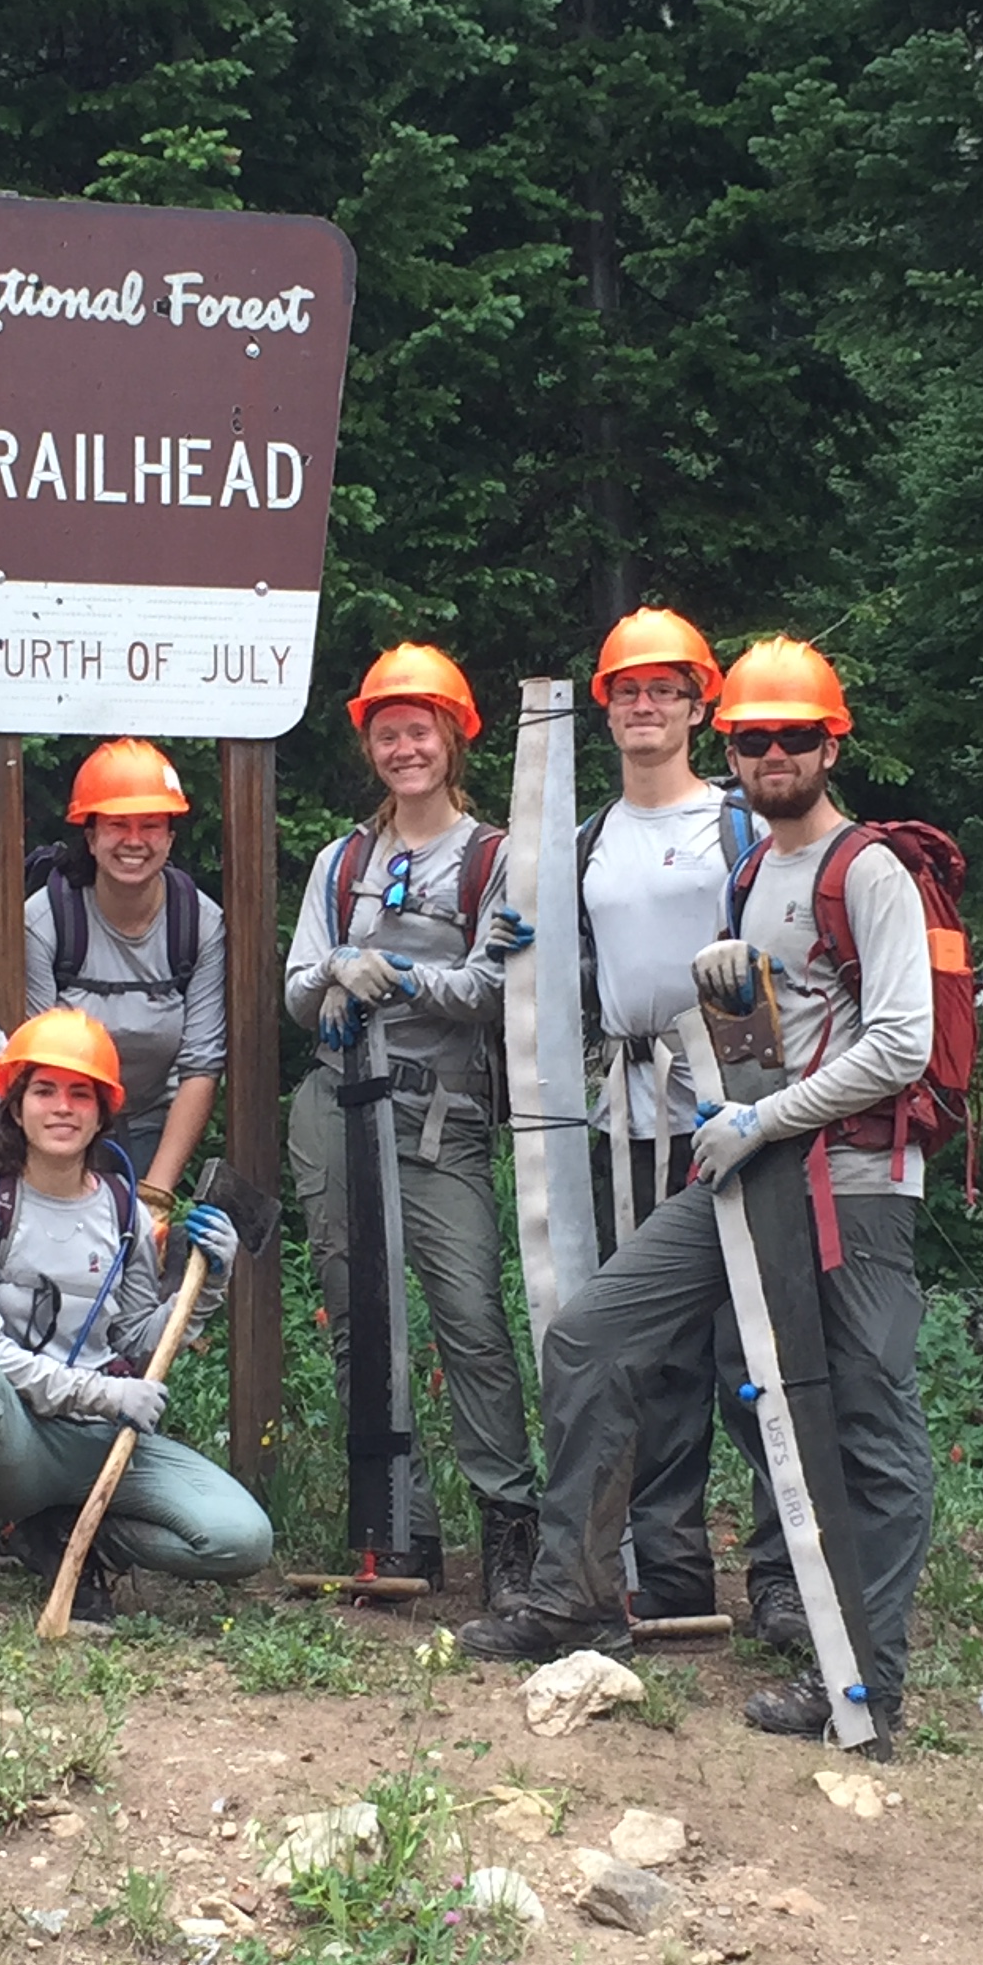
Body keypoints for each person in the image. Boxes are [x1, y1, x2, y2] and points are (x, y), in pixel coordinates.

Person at [461, 637, 935, 1754]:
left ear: (832, 743)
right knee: (590, 1338)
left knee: (861, 1423)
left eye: (795, 737)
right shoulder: (750, 872)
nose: (775, 755)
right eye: (757, 740)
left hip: (850, 1186)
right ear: (735, 746)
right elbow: (747, 1030)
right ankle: (575, 1594)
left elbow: (904, 1044)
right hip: (736, 1166)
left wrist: (757, 1117)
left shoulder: (868, 869)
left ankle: (865, 1684)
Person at [0, 1007, 265, 1632]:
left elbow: (134, 1342)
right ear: (16, 1107)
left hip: (103, 1444)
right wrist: (106, 1393)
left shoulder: (123, 1210)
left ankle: (74, 1534)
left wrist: (209, 1285)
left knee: (242, 1540)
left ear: (103, 1112)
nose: (62, 1108)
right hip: (11, 1447)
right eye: (44, 1091)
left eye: (80, 1093)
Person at [283, 643, 540, 1604]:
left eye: (419, 728)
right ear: (370, 744)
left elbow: (490, 985)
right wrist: (338, 973)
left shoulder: (495, 857)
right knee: (360, 1319)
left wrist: (401, 975)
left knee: (469, 1315)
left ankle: (510, 1530)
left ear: (454, 736)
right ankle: (395, 1532)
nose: (404, 746)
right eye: (387, 731)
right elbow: (301, 989)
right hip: (339, 1103)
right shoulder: (342, 860)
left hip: (440, 1113)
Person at [571, 608, 789, 1637]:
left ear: (700, 707)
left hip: (731, 1113)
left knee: (752, 1350)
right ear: (606, 707)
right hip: (627, 1121)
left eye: (664, 689)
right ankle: (669, 1568)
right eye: (627, 690)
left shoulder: (737, 824)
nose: (644, 704)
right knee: (651, 1356)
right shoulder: (588, 841)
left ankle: (788, 1570)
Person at [23, 739, 228, 1222]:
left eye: (150, 826)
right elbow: (38, 1067)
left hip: (157, 1121)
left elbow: (202, 1063)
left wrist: (155, 1197)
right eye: (117, 825)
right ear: (90, 837)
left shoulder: (198, 923)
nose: (134, 841)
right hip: (64, 1114)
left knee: (143, 1268)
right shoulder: (44, 920)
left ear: (170, 838)